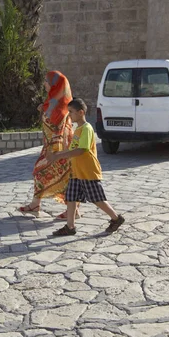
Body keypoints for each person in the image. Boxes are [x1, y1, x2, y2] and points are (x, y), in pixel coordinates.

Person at [48, 97, 125, 236]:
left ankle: (116, 218)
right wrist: (58, 154)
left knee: (97, 199)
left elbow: (81, 150)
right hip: (77, 172)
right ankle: (70, 227)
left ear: (81, 112)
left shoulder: (87, 129)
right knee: (71, 197)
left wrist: (58, 156)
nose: (69, 115)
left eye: (71, 112)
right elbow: (72, 150)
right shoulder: (78, 130)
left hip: (88, 172)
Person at [19, 71, 76, 218]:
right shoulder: (53, 101)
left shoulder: (59, 106)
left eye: (46, 81)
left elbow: (59, 129)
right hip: (50, 147)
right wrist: (42, 108)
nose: (44, 83)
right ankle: (35, 204)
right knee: (44, 174)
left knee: (60, 176)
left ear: (55, 84)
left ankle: (73, 211)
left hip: (57, 149)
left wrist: (55, 152)